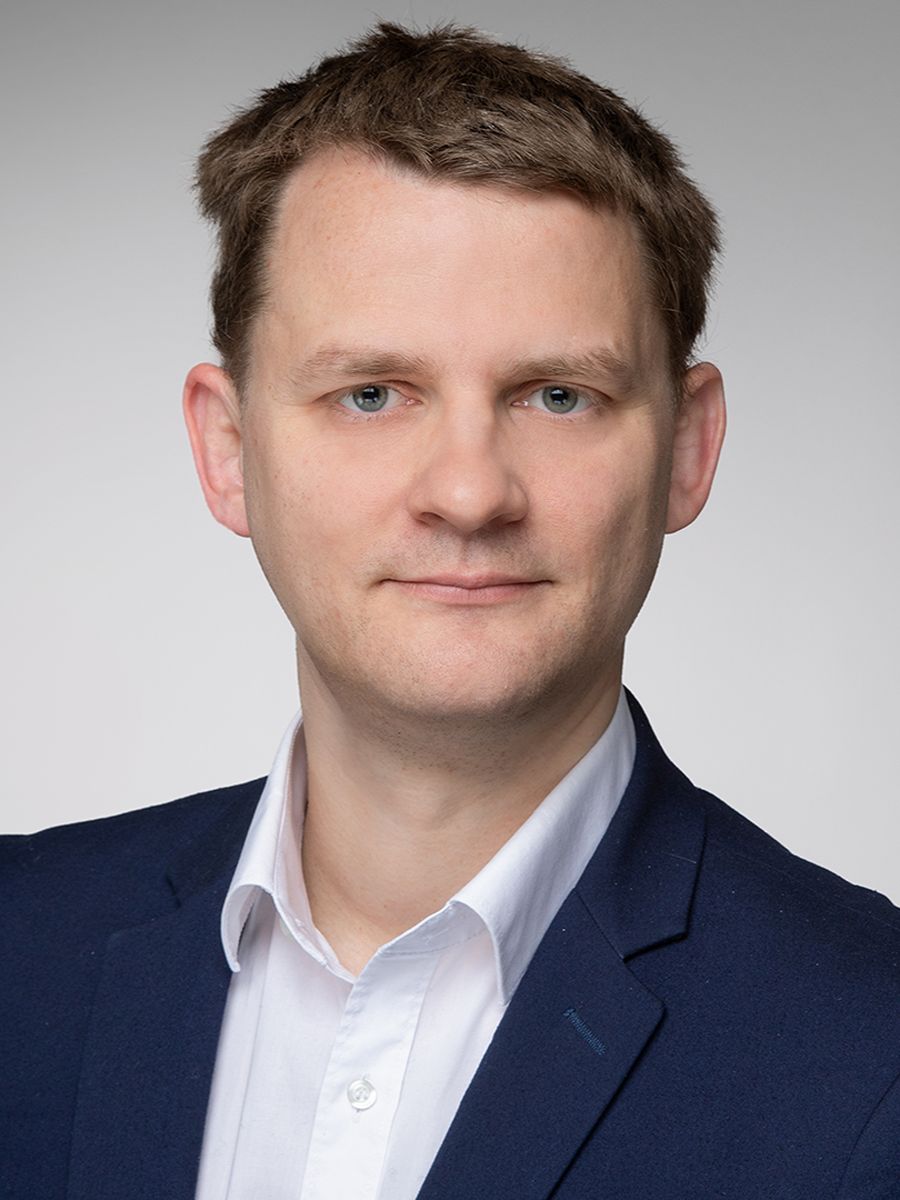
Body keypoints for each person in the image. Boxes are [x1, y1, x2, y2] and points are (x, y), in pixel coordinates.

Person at [2, 21, 898, 1199]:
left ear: (688, 450)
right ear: (227, 449)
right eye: (372, 394)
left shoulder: (872, 1052)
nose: (470, 493)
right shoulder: (18, 948)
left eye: (558, 396)